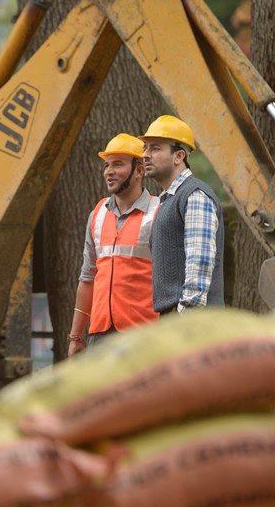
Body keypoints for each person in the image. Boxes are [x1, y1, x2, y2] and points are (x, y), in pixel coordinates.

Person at [67, 134, 160, 357]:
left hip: (144, 336)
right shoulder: (97, 215)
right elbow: (87, 278)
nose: (109, 171)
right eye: (106, 165)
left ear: (139, 170)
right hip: (100, 335)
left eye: (118, 164)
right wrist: (76, 336)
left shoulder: (158, 212)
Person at [140, 115, 225, 316]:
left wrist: (183, 319)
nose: (145, 155)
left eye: (155, 148)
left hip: (192, 323)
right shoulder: (170, 199)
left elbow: (200, 263)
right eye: (146, 148)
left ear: (178, 156)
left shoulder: (195, 196)